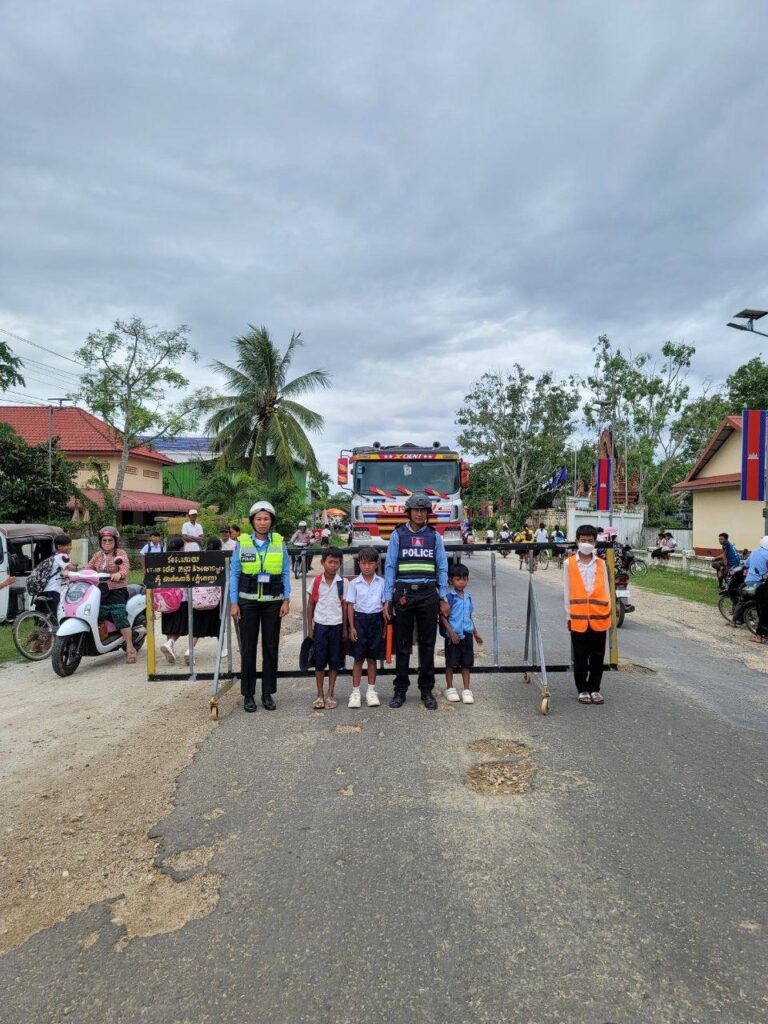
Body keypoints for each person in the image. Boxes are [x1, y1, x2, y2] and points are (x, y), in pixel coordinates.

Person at [382, 493, 449, 710]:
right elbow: (390, 566)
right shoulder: (398, 535)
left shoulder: (434, 537)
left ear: (427, 513)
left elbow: (442, 567)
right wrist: (387, 598)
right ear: (409, 512)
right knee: (402, 645)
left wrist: (443, 596)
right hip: (403, 594)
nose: (419, 514)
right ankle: (400, 690)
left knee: (427, 644)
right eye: (415, 510)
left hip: (428, 594)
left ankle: (426, 690)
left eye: (423, 510)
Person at [230, 501, 290, 712]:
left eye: (266, 519)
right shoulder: (242, 543)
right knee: (248, 648)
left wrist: (286, 599)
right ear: (252, 521)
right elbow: (234, 573)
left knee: (271, 648)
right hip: (247, 602)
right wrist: (234, 602)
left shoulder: (279, 543)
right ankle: (248, 694)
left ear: (271, 521)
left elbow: (285, 572)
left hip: (273, 602)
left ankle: (267, 693)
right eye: (259, 519)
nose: (262, 522)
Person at [564, 523, 611, 705]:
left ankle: (595, 688)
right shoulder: (569, 563)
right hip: (578, 618)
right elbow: (567, 592)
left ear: (595, 542)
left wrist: (608, 614)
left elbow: (606, 590)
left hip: (600, 617)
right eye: (583, 540)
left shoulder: (601, 563)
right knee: (581, 656)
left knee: (598, 656)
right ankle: (582, 689)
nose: (586, 543)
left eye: (590, 541)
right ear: (577, 541)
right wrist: (568, 617)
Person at [87, 526, 138, 663]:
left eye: (110, 540)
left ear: (115, 541)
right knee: (95, 613)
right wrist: (76, 573)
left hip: (117, 589)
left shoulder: (120, 553)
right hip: (100, 590)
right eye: (104, 540)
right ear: (100, 542)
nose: (107, 543)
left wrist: (119, 574)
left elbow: (125, 568)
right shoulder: (97, 555)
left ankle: (130, 647)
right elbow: (88, 568)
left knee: (119, 614)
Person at [307, 547, 347, 709]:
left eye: (336, 563)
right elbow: (310, 605)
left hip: (337, 626)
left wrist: (345, 629)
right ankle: (319, 694)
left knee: (334, 661)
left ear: (340, 564)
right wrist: (310, 628)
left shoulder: (343, 583)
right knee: (319, 661)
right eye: (330, 562)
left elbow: (345, 607)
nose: (333, 565)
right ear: (323, 563)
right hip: (320, 626)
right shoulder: (316, 582)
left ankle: (330, 694)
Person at [346, 547, 385, 708]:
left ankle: (371, 691)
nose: (367, 567)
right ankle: (355, 692)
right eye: (363, 563)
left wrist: (384, 627)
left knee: (372, 658)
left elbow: (385, 604)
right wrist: (351, 627)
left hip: (376, 621)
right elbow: (350, 605)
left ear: (376, 564)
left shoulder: (382, 583)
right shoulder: (354, 584)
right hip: (359, 621)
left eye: (370, 563)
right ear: (359, 564)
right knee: (358, 658)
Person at [440, 563, 483, 704]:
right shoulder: (449, 598)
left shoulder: (468, 597)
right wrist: (451, 633)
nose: (462, 582)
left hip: (467, 635)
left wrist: (475, 633)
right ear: (451, 580)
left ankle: (466, 690)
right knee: (450, 663)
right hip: (453, 637)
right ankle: (450, 688)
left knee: (466, 663)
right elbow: (443, 617)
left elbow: (469, 616)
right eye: (458, 579)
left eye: (465, 579)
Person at [184, 537, 224, 664]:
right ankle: (221, 649)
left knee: (197, 628)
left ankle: (189, 650)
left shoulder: (198, 558)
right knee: (218, 624)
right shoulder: (220, 559)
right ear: (219, 547)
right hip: (214, 599)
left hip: (198, 599)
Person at [728, 536, 768, 630]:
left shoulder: (754, 552)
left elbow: (746, 564)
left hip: (750, 583)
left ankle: (733, 621)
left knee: (742, 601)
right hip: (763, 584)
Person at [158, 536, 188, 663]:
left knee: (169, 624)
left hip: (165, 598)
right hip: (180, 598)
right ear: (181, 548)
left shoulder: (162, 560)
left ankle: (169, 648)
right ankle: (170, 643)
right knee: (181, 626)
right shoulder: (183, 560)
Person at [39, 533, 75, 620]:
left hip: (46, 589)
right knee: (57, 613)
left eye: (70, 545)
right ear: (59, 547)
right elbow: (72, 568)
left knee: (51, 613)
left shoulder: (54, 556)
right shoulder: (62, 556)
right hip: (54, 589)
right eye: (67, 545)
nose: (70, 547)